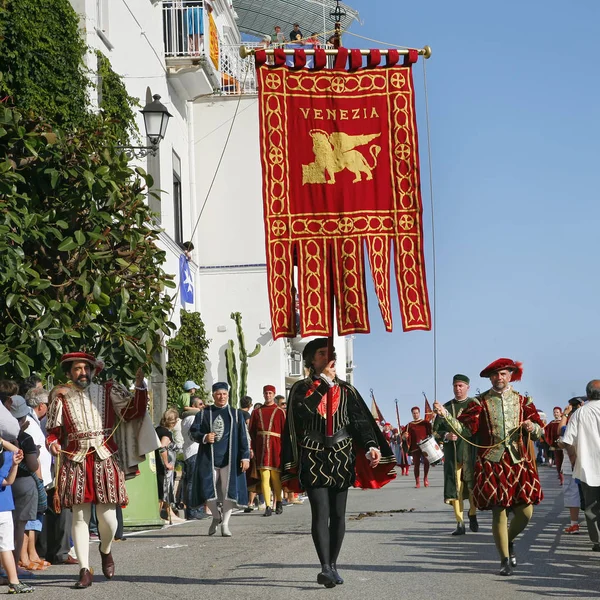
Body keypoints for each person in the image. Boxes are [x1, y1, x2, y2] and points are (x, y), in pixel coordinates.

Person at [282, 338, 396, 588]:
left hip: (342, 455)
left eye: (330, 353)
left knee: (338, 514)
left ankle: (333, 564)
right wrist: (323, 383)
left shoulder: (346, 390)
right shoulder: (302, 388)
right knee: (320, 513)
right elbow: (303, 413)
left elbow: (359, 422)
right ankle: (324, 566)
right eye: (322, 354)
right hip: (313, 455)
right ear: (312, 360)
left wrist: (370, 445)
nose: (328, 357)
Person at [47, 352, 158, 589]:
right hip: (75, 460)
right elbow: (53, 431)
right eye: (76, 369)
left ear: (93, 370)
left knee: (109, 520)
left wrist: (139, 388)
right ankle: (84, 570)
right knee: (79, 517)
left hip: (105, 457)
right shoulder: (60, 398)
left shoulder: (108, 390)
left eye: (85, 368)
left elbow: (132, 412)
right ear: (69, 373)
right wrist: (53, 443)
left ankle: (105, 549)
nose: (82, 373)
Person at [433, 358, 543, 576]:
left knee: (526, 512)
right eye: (495, 375)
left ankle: (508, 540)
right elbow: (465, 431)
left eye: (502, 374)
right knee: (499, 512)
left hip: (518, 461)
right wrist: (445, 415)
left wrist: (532, 427)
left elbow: (539, 430)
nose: (499, 378)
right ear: (489, 378)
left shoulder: (523, 401)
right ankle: (504, 560)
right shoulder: (479, 403)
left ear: (510, 375)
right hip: (491, 462)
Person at [189, 382, 250, 537]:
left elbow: (243, 437)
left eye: (224, 394)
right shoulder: (203, 413)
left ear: (228, 395)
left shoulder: (236, 414)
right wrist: (204, 437)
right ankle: (216, 516)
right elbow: (192, 432)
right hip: (208, 459)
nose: (221, 397)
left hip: (230, 460)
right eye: (218, 394)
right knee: (207, 489)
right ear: (213, 395)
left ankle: (225, 523)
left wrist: (245, 457)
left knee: (228, 491)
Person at [433, 374, 479, 535]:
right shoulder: (444, 408)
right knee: (456, 489)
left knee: (474, 487)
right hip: (453, 455)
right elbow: (436, 431)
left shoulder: (475, 405)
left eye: (461, 386)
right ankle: (460, 523)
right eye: (455, 386)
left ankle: (472, 513)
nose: (458, 389)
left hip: (472, 453)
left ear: (468, 387)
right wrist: (446, 435)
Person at [561, 381, 600, 551]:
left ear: (588, 394)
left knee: (591, 507)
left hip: (587, 468)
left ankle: (598, 541)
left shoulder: (579, 413)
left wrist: (572, 458)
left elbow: (568, 441)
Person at [0, 438, 34, 593]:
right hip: (3, 508)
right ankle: (14, 582)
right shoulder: (5, 458)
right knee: (6, 546)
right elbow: (9, 480)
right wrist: (14, 465)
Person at [249, 385, 286, 516]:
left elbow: (285, 432)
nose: (268, 395)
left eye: (270, 393)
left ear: (274, 394)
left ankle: (279, 502)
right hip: (262, 447)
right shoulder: (256, 412)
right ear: (263, 394)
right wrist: (252, 447)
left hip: (276, 447)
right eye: (266, 393)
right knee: (264, 476)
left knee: (276, 476)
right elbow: (252, 431)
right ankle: (268, 506)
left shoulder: (280, 411)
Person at [155, 408, 185, 525]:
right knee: (163, 491)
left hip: (158, 465)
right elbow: (162, 447)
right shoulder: (166, 433)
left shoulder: (158, 430)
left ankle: (169, 513)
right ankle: (158, 515)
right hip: (164, 466)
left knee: (164, 491)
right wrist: (167, 463)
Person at [181, 397, 205, 520]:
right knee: (193, 483)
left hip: (193, 452)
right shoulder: (191, 418)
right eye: (200, 404)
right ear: (193, 405)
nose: (203, 406)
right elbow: (194, 434)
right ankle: (193, 511)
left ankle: (197, 510)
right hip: (193, 452)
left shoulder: (189, 418)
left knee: (195, 482)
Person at [402, 406, 432, 488]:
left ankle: (425, 478)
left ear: (419, 413)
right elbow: (403, 435)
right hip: (415, 447)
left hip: (425, 446)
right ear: (412, 414)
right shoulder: (409, 425)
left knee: (426, 461)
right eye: (414, 413)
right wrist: (404, 436)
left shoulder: (425, 423)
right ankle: (417, 482)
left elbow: (431, 431)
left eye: (417, 413)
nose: (415, 415)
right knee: (416, 464)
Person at [545, 406, 564, 484]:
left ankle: (564, 476)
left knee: (564, 462)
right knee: (558, 462)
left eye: (557, 412)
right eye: (554, 412)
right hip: (556, 446)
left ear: (560, 413)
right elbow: (546, 431)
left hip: (564, 445)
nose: (555, 414)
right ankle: (561, 478)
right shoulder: (551, 423)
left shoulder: (563, 422)